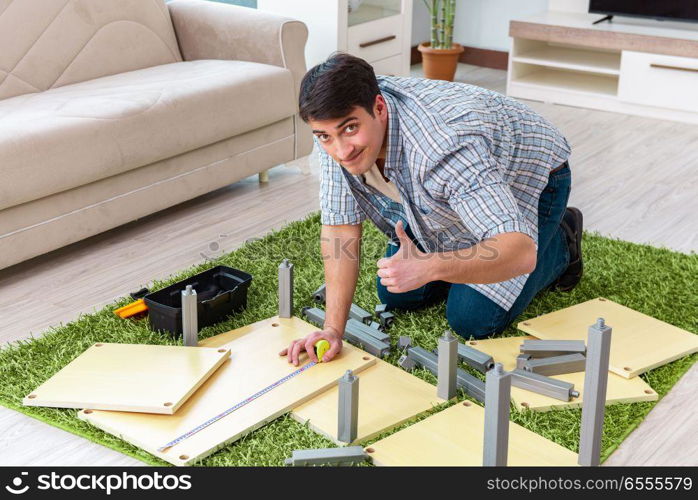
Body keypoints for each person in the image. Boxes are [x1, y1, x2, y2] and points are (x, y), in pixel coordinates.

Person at [281, 52, 583, 366]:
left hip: (527, 176)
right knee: (397, 294)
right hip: (446, 191)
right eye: (325, 137)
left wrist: (432, 267)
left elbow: (519, 252)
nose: (341, 151)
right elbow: (340, 227)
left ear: (379, 108)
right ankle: (457, 246)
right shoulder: (333, 128)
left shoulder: (444, 146)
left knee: (472, 319)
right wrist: (332, 329)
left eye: (350, 129)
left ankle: (562, 240)